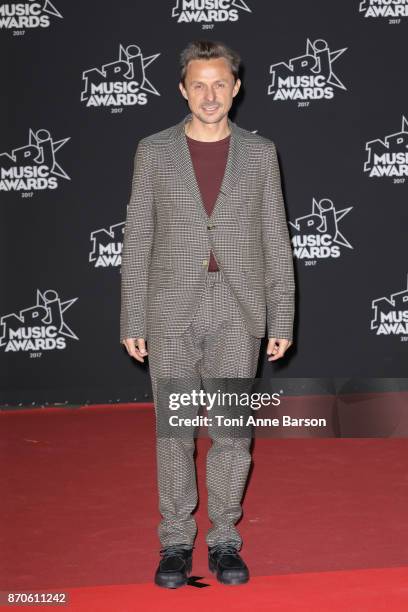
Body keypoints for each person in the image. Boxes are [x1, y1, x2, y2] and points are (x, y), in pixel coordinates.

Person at [120, 39, 295, 589]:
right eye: (199, 84)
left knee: (231, 433)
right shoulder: (153, 150)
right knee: (174, 432)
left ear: (236, 88)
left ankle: (223, 539)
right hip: (169, 308)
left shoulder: (261, 153)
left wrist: (281, 318)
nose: (210, 95)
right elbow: (139, 236)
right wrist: (132, 319)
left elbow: (275, 238)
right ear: (182, 89)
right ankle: (175, 541)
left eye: (220, 83)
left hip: (238, 308)